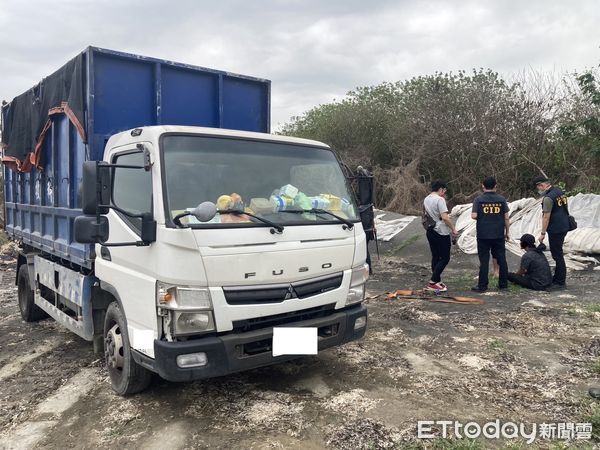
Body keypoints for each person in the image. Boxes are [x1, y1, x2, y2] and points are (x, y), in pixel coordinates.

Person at [470, 177, 510, 292]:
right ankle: (503, 285)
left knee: (484, 260)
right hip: (498, 234)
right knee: (502, 259)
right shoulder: (501, 199)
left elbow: (473, 215)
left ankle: (482, 286)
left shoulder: (478, 200)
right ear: (495, 186)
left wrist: (483, 216)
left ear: (483, 186)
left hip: (483, 235)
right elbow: (506, 217)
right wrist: (507, 232)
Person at [533, 176, 569, 288]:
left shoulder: (548, 198)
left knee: (557, 254)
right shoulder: (559, 191)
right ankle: (558, 277)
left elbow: (546, 217)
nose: (538, 190)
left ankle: (560, 281)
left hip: (556, 228)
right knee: (558, 253)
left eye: (538, 187)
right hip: (564, 225)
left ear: (542, 185)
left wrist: (542, 233)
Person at [423, 180, 459, 292]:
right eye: (444, 190)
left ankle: (437, 280)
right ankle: (433, 282)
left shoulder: (426, 199)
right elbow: (445, 217)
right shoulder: (440, 199)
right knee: (445, 258)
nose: (444, 193)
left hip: (430, 230)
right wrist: (453, 228)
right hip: (441, 231)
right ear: (441, 189)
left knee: (435, 256)